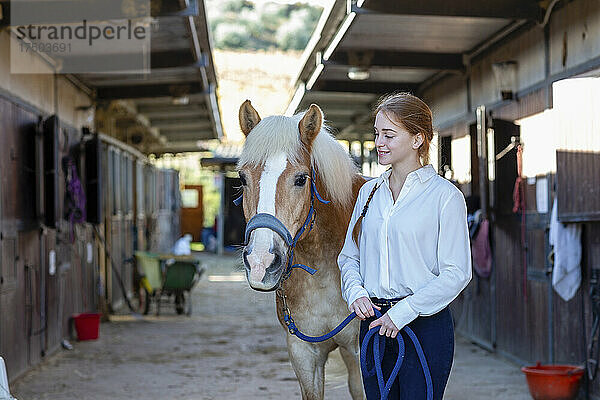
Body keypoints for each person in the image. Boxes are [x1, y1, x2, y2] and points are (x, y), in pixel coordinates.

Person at [337, 92, 472, 400]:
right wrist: (355, 291)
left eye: (389, 134)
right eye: (376, 134)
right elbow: (349, 257)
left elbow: (457, 273)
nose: (379, 143)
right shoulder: (368, 193)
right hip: (373, 324)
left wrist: (403, 312)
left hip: (422, 327)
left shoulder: (444, 197)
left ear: (416, 139)